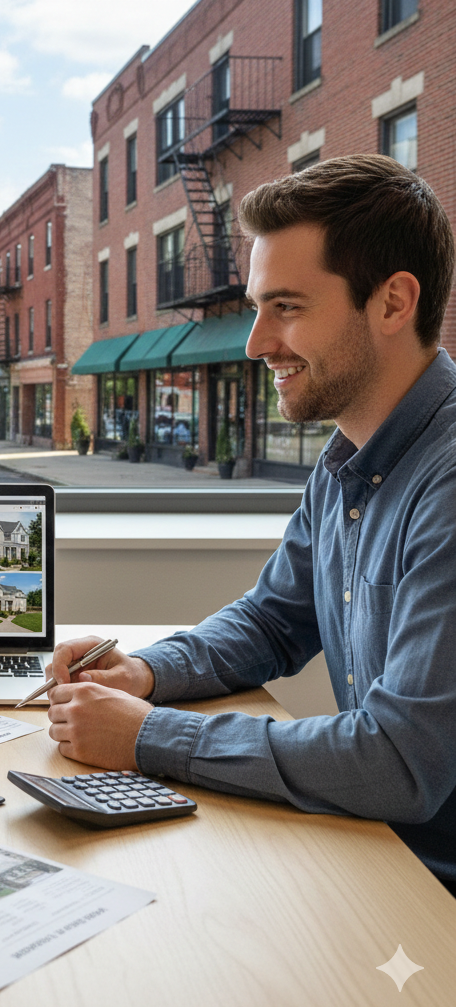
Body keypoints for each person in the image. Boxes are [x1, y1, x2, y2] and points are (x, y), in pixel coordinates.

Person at [45, 154, 456, 894]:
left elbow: (401, 764)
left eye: (288, 308)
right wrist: (147, 672)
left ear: (393, 303)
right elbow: (273, 621)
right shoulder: (347, 462)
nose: (255, 342)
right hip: (371, 852)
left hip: (428, 891)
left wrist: (146, 737)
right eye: (259, 306)